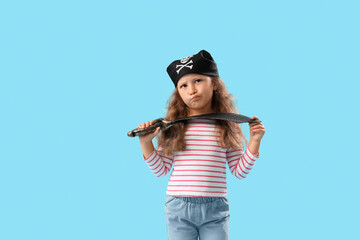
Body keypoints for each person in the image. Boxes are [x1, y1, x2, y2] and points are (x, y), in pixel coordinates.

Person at [137, 50, 265, 240]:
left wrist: (255, 140)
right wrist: (145, 143)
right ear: (178, 93)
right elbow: (161, 170)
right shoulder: (173, 126)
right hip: (178, 206)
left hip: (216, 210)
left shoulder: (228, 124)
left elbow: (240, 171)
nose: (191, 90)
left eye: (198, 80)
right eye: (183, 86)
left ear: (213, 83)